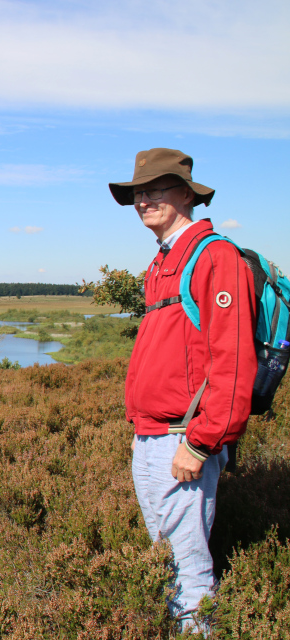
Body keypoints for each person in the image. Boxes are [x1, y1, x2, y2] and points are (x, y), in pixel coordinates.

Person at [109, 148, 256, 631]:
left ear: (187, 194)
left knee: (188, 571)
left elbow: (233, 365)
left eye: (157, 188)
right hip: (152, 435)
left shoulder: (215, 256)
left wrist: (200, 441)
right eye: (138, 192)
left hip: (182, 437)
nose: (144, 199)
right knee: (167, 557)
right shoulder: (164, 261)